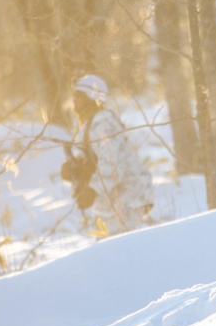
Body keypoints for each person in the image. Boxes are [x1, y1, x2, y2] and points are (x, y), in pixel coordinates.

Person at [65, 74, 155, 233]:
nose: (74, 100)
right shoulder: (89, 123)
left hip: (128, 199)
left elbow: (113, 164)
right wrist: (74, 170)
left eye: (78, 95)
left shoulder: (104, 122)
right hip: (113, 203)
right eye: (74, 95)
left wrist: (92, 190)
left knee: (121, 253)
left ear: (91, 97)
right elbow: (92, 160)